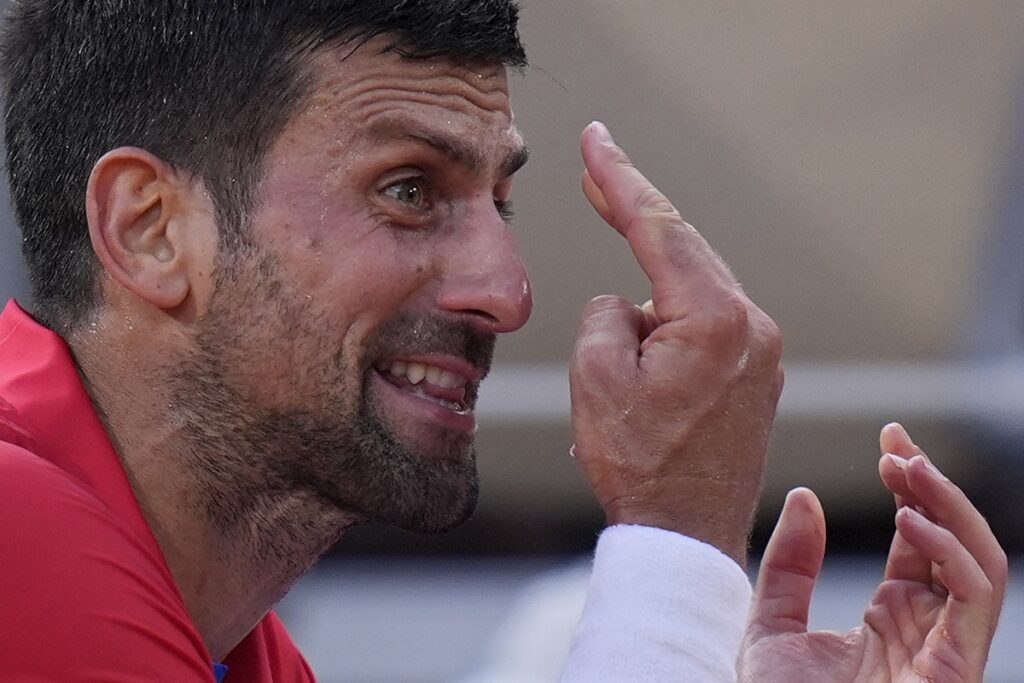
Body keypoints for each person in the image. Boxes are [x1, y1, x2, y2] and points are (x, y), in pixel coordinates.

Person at [0, 1, 1005, 681]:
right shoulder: (18, 539)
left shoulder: (221, 637)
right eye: (407, 191)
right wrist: (675, 548)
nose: (507, 292)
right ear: (148, 228)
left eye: (501, 203)